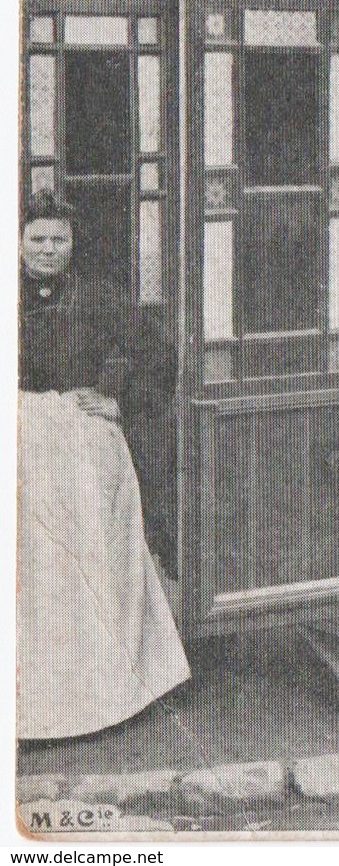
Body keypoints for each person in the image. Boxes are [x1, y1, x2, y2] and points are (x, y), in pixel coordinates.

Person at [18, 191, 190, 739]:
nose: (47, 249)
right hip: (20, 435)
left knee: (98, 549)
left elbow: (156, 354)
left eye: (58, 239)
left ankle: (112, 687)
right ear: (19, 241)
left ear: (73, 243)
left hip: (81, 437)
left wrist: (122, 400)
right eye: (37, 238)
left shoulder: (100, 296)